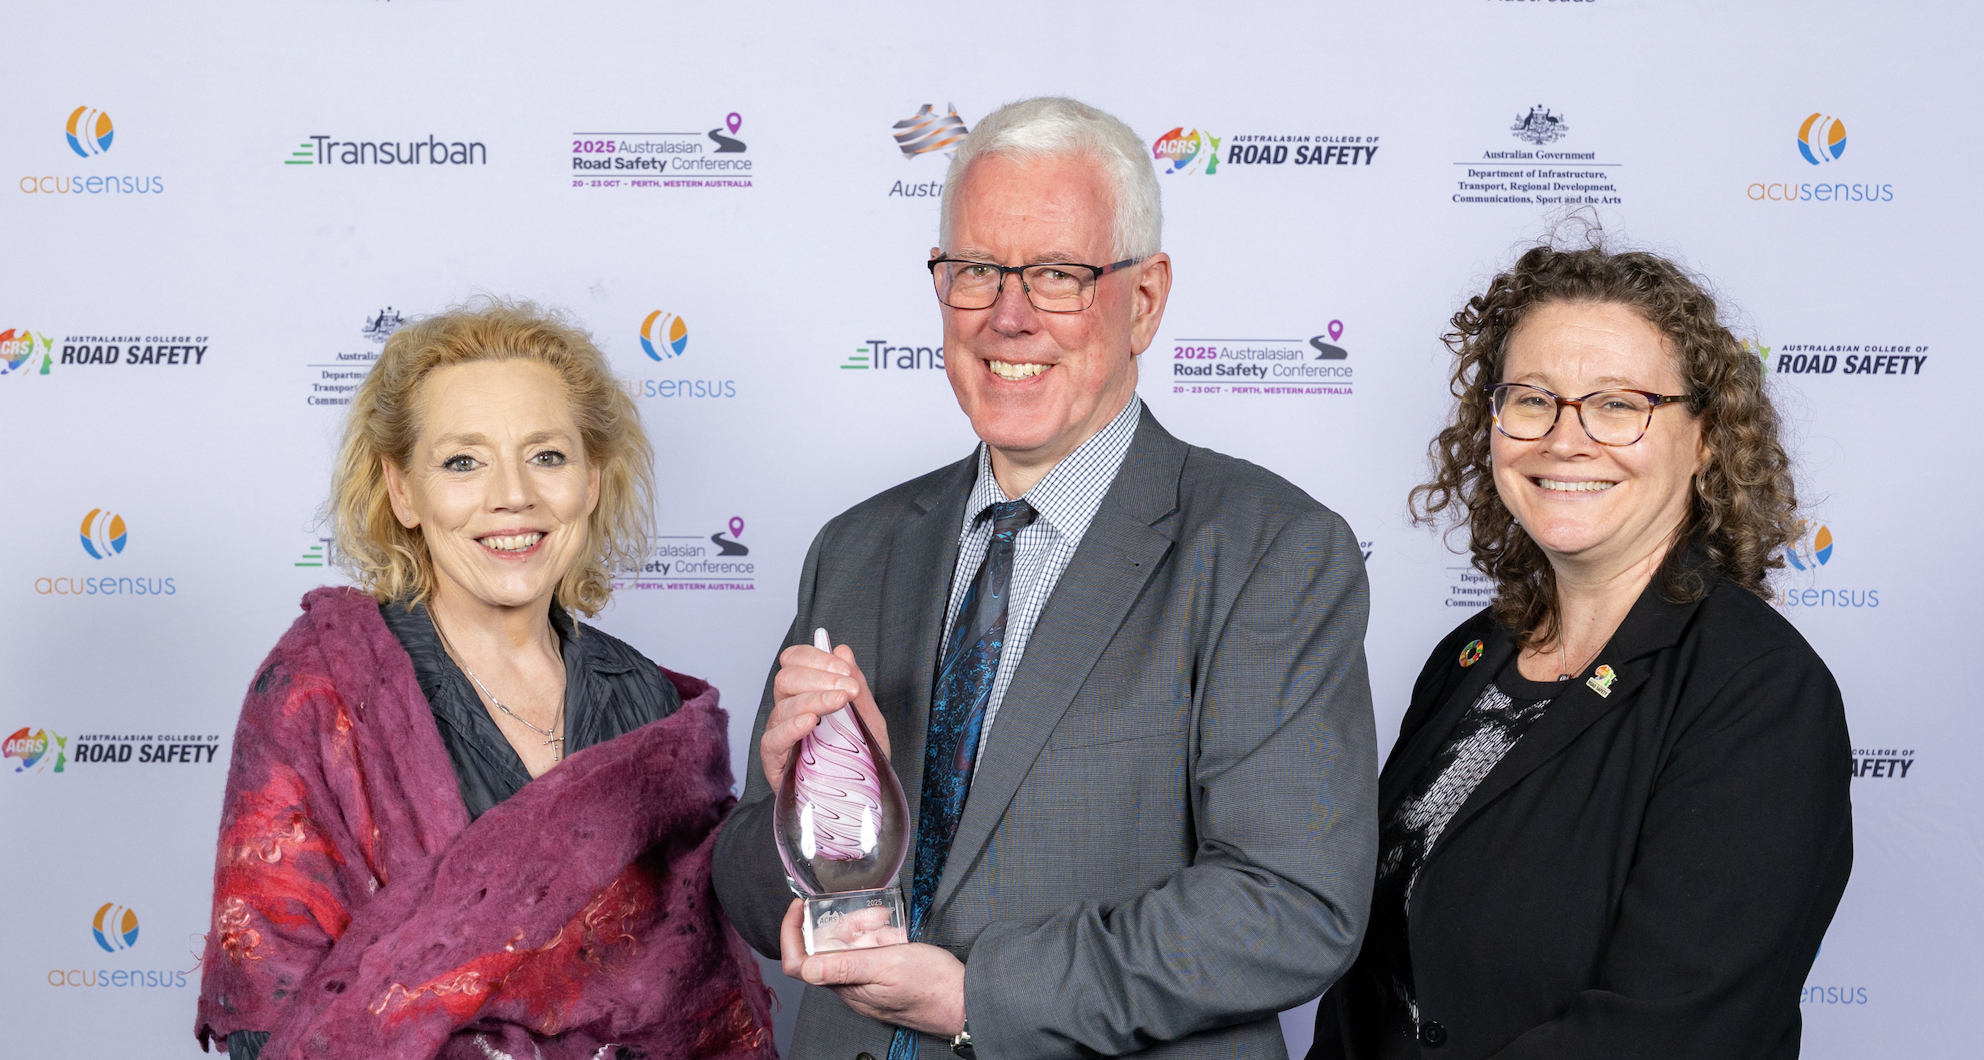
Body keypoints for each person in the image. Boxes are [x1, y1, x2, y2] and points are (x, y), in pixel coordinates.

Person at [710, 97, 1378, 1060]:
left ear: (1144, 299)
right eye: (976, 271)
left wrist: (982, 993)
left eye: (1059, 276)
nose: (1008, 317)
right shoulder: (856, 548)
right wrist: (793, 819)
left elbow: (1291, 904)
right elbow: (746, 874)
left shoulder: (1270, 550)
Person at [1308, 241, 1853, 1059]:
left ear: (1704, 438)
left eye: (1617, 404)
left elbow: (1672, 1031)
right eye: (1533, 400)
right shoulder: (1472, 656)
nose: (1566, 440)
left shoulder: (1758, 691)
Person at [195, 302, 774, 1060]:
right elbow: (269, 1000)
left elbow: (701, 1000)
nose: (514, 496)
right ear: (403, 490)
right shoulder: (322, 692)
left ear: (592, 482)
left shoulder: (646, 703)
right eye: (463, 461)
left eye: (547, 457)